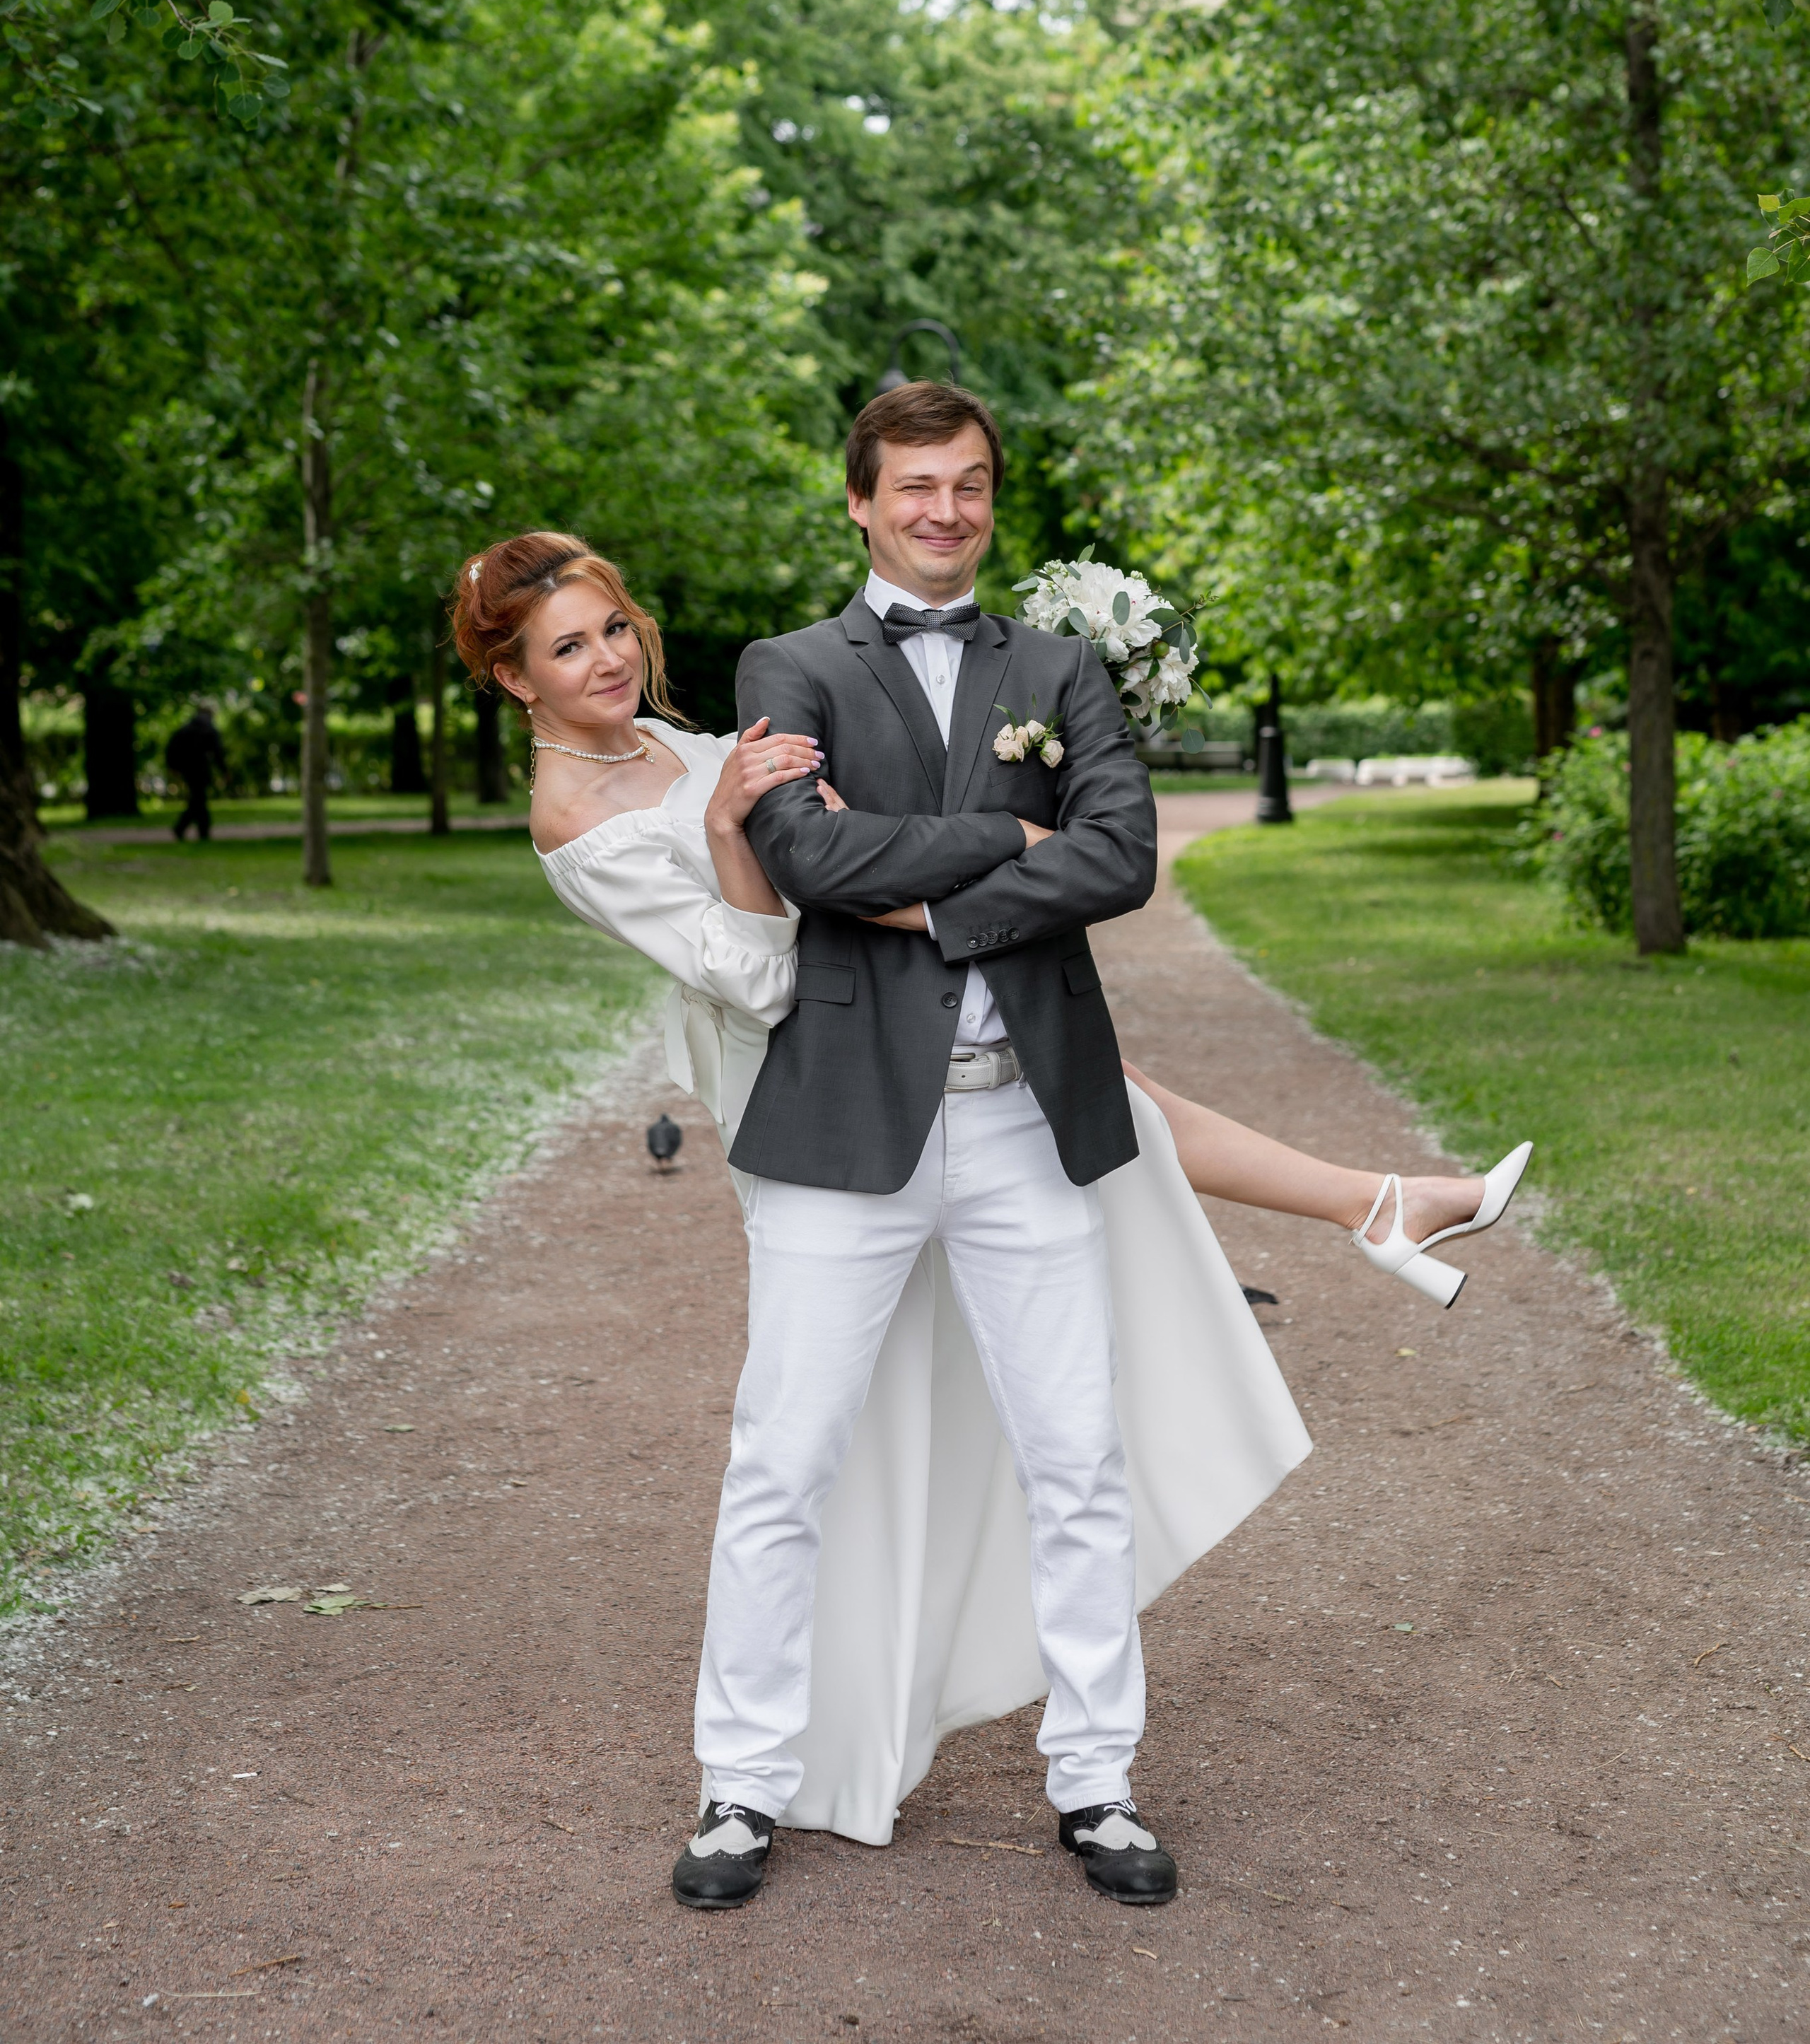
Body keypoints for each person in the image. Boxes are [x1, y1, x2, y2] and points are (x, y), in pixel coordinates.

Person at [448, 399, 1528, 1908]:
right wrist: (1018, 852)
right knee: (784, 1461)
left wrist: (939, 868)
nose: (607, 656)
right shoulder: (757, 692)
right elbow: (798, 888)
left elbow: (1115, 858)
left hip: (1021, 1113)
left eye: (611, 626)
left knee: (1074, 1457)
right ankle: (739, 1788)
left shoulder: (1016, 674)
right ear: (858, 504)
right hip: (827, 1115)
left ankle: (1097, 1782)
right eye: (567, 647)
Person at [165, 704, 226, 841]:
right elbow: (217, 753)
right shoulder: (209, 730)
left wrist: (173, 766)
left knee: (198, 799)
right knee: (199, 799)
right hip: (201, 768)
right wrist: (224, 771)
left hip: (187, 769)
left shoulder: (185, 730)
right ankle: (194, 829)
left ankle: (190, 829)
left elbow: (171, 748)